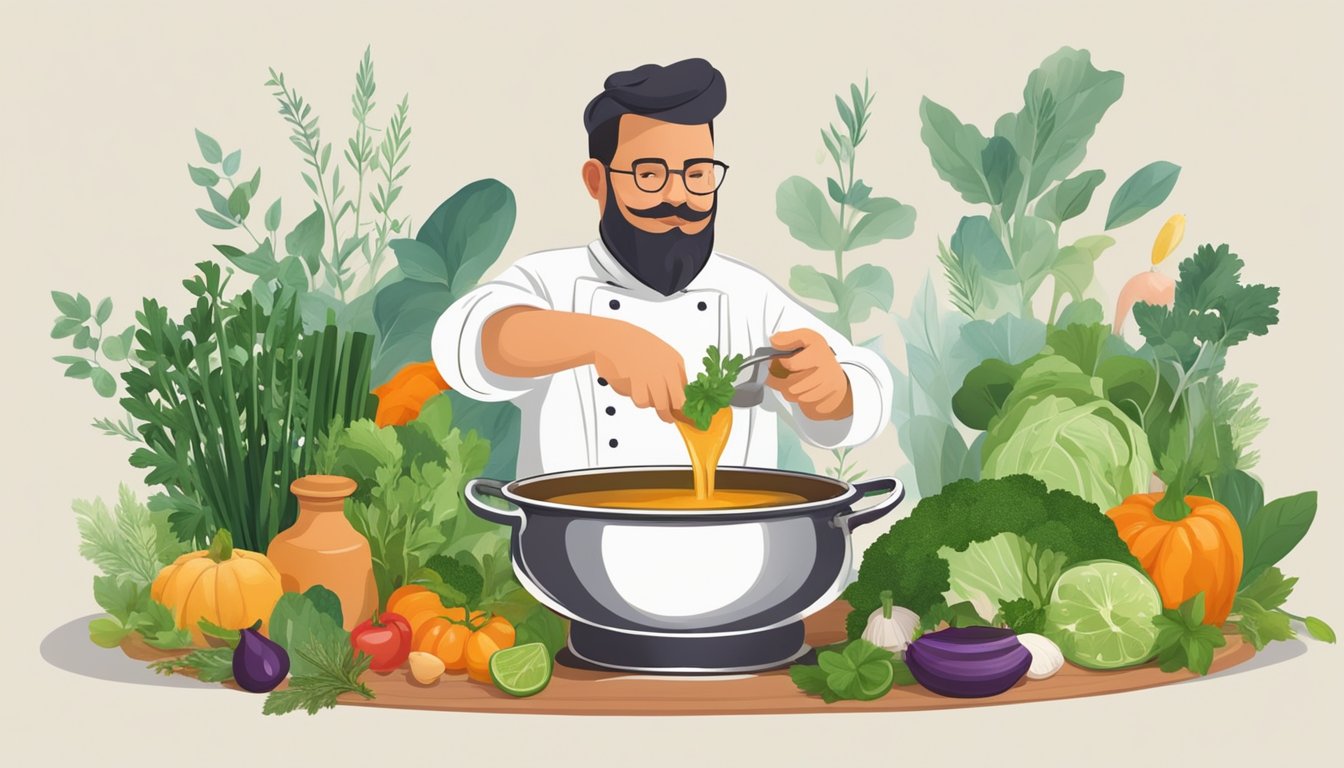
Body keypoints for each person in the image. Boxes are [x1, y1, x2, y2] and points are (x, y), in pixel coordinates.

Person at [431, 57, 892, 477]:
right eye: (649, 175)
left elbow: (868, 389)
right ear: (597, 181)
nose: (678, 196)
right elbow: (466, 343)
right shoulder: (553, 281)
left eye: (697, 174)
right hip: (578, 550)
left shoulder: (750, 297)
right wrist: (601, 339)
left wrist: (834, 390)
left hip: (736, 553)